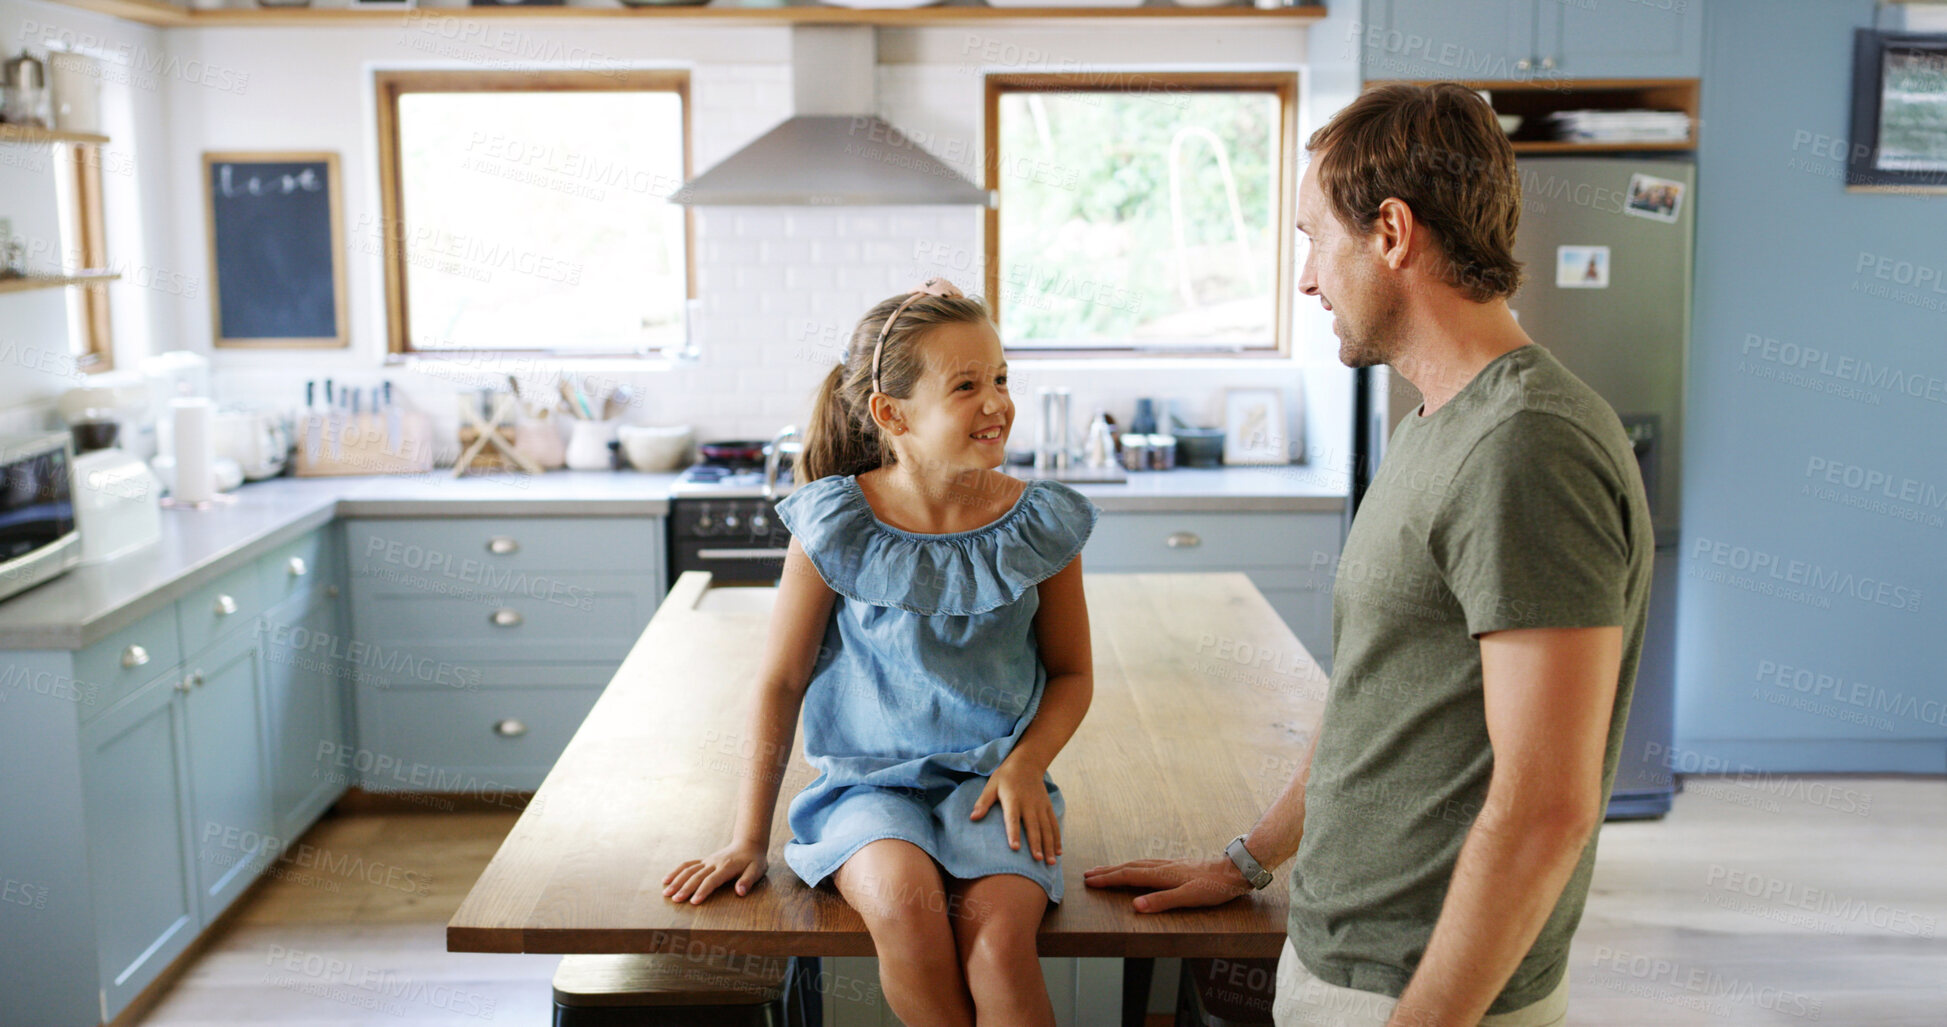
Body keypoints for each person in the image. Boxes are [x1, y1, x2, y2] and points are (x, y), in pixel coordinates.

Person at [1084, 82, 1653, 1027]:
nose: (1306, 279)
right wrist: (1247, 857)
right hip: (1349, 954)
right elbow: (1378, 698)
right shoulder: (1443, 419)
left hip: (1417, 987)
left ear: (1390, 231)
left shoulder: (1525, 447)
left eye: (1313, 238)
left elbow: (1546, 805)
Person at [662, 279, 1101, 1027]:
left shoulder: (1038, 524)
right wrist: (747, 838)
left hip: (995, 787)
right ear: (891, 414)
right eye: (966, 385)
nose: (995, 401)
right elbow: (780, 682)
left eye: (1000, 377)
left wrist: (1025, 763)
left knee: (998, 950)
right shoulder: (834, 522)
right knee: (905, 911)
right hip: (866, 793)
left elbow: (1072, 673)